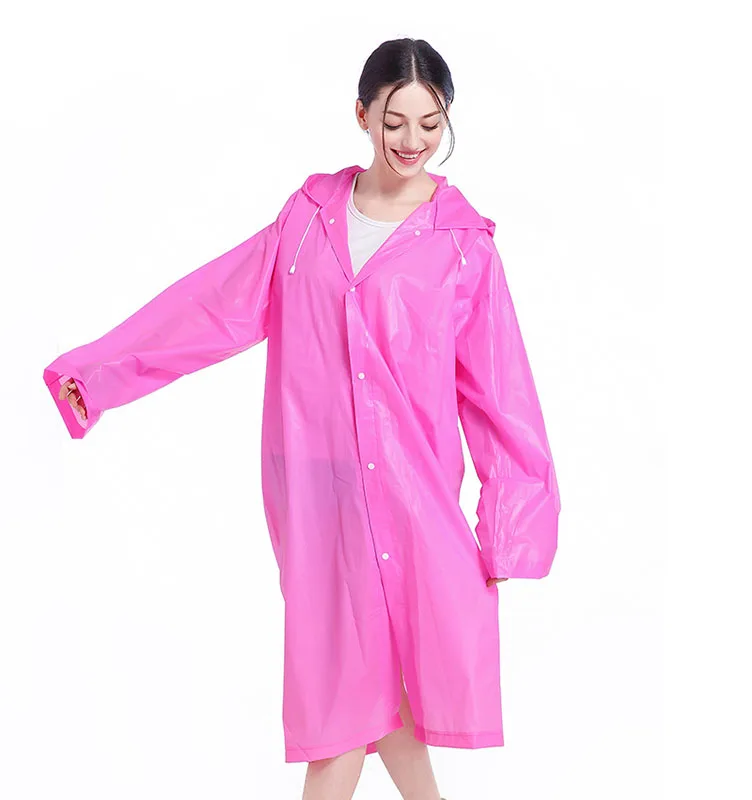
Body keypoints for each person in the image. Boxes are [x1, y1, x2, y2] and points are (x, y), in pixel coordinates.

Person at [47, 37, 560, 800]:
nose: (412, 140)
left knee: (368, 702)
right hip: (319, 496)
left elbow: (501, 392)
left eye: (430, 123)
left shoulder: (463, 248)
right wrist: (99, 373)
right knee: (350, 702)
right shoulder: (308, 220)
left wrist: (511, 524)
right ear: (361, 114)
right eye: (394, 121)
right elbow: (213, 305)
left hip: (415, 501)